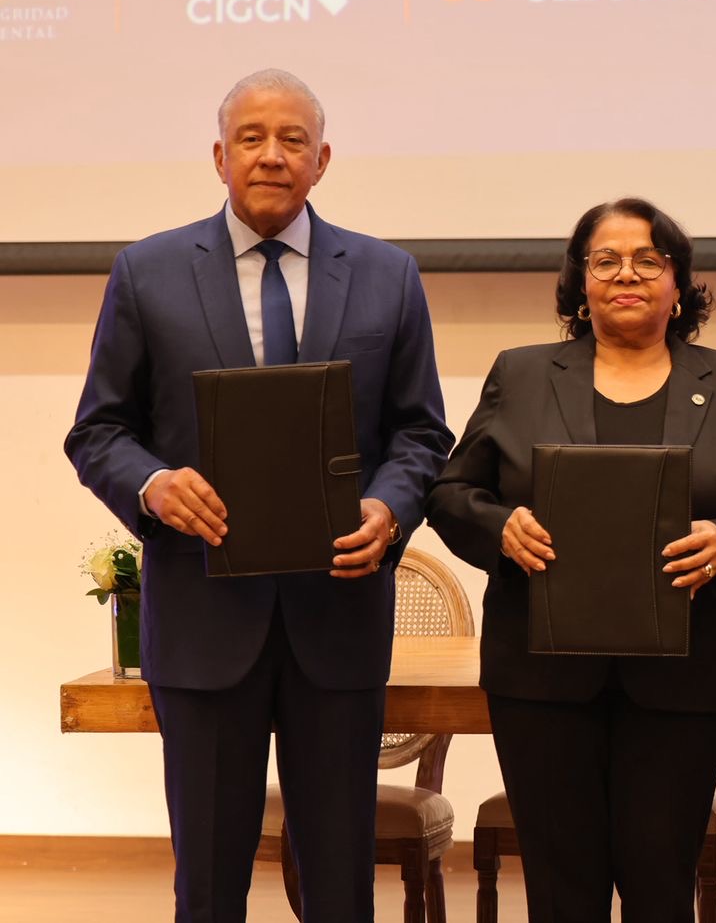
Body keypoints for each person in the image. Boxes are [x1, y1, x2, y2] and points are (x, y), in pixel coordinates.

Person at [64, 68, 453, 922]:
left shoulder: (387, 274)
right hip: (203, 621)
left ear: (322, 160)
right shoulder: (148, 272)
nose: (271, 155)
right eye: (251, 138)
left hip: (339, 619)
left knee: (341, 885)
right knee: (207, 887)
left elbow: (422, 433)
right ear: (219, 157)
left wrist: (390, 507)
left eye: (292, 140)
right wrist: (154, 485)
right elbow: (98, 431)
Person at [425, 197, 716, 922]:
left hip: (685, 676)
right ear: (580, 281)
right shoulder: (521, 374)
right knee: (561, 889)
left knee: (660, 883)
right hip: (541, 676)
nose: (626, 274)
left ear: (679, 282)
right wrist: (500, 529)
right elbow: (450, 493)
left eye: (648, 260)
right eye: (606, 261)